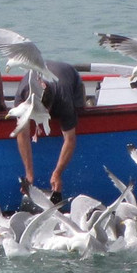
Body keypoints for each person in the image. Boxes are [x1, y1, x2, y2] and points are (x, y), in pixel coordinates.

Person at [16, 60, 84, 201]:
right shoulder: (22, 94)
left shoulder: (64, 97)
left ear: (51, 106)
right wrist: (29, 174)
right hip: (41, 72)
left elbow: (70, 139)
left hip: (69, 76)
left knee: (78, 112)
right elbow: (22, 134)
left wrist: (57, 173)